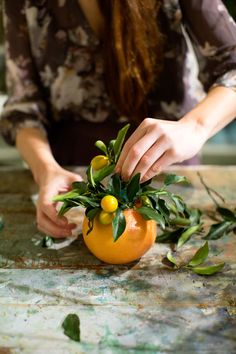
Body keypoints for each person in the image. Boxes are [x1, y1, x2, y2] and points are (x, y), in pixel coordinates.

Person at [0, 0, 236, 238]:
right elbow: (23, 109)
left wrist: (194, 127)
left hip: (167, 183)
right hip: (74, 190)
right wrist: (46, 171)